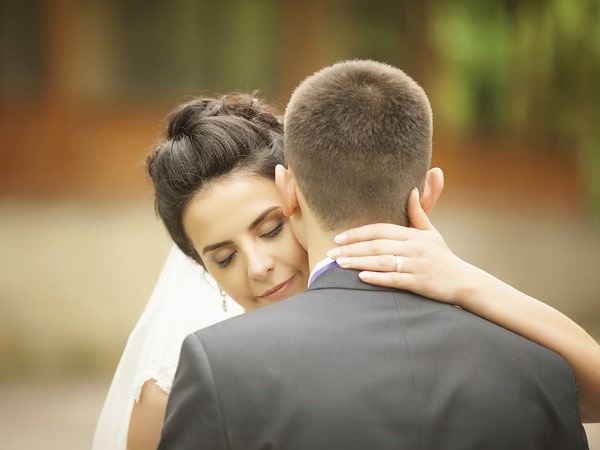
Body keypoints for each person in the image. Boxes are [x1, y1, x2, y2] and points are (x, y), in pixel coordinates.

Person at [158, 61, 588, 449]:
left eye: (271, 228)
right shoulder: (542, 368)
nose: (259, 267)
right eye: (223, 257)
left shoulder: (218, 368)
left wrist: (465, 280)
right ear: (428, 191)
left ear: (289, 192)